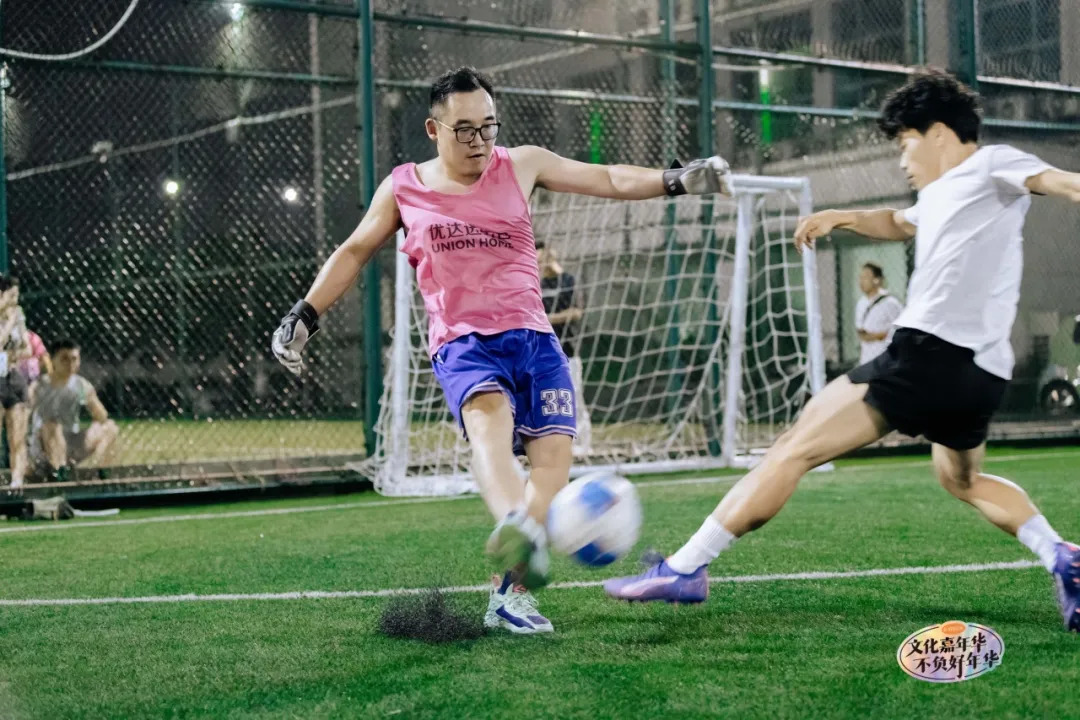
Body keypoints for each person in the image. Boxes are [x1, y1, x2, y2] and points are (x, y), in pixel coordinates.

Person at [603, 69, 1080, 633]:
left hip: (926, 355)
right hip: (981, 374)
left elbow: (1063, 182)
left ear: (939, 134)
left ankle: (686, 567)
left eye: (905, 144)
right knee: (962, 479)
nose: (902, 160)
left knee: (793, 447)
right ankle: (1061, 555)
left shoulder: (993, 163)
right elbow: (899, 222)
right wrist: (842, 217)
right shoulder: (944, 196)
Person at [271, 66, 732, 634]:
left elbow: (608, 178)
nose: (479, 140)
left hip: (535, 340)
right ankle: (519, 526)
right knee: (490, 426)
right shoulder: (403, 187)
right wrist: (305, 314)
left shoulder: (521, 164)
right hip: (464, 342)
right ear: (434, 130)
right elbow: (353, 250)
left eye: (488, 126)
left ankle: (510, 593)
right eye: (465, 129)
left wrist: (677, 180)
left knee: (553, 463)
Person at [29, 338, 119, 477]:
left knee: (110, 427)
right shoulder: (39, 386)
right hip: (45, 447)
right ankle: (58, 473)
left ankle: (101, 471)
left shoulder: (81, 385)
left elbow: (101, 416)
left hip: (72, 442)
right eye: (64, 359)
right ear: (53, 360)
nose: (70, 364)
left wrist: (91, 401)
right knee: (52, 426)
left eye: (74, 359)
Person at [536, 241, 592, 456]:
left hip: (567, 349)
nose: (540, 264)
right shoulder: (536, 285)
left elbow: (576, 312)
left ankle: (583, 446)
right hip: (542, 352)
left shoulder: (568, 281)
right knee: (547, 400)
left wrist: (548, 319)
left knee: (574, 396)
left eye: (543, 259)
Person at [0, 275, 31, 489]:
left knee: (17, 436)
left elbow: (27, 348)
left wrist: (11, 355)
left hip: (12, 376)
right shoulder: (10, 318)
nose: (15, 301)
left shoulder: (18, 314)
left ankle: (16, 482)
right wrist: (9, 322)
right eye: (12, 295)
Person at [854, 262, 904, 364]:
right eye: (860, 277)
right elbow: (860, 329)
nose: (861, 281)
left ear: (877, 280)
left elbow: (901, 330)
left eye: (866, 277)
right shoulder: (861, 303)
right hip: (866, 360)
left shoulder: (890, 302)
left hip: (886, 360)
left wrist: (877, 336)